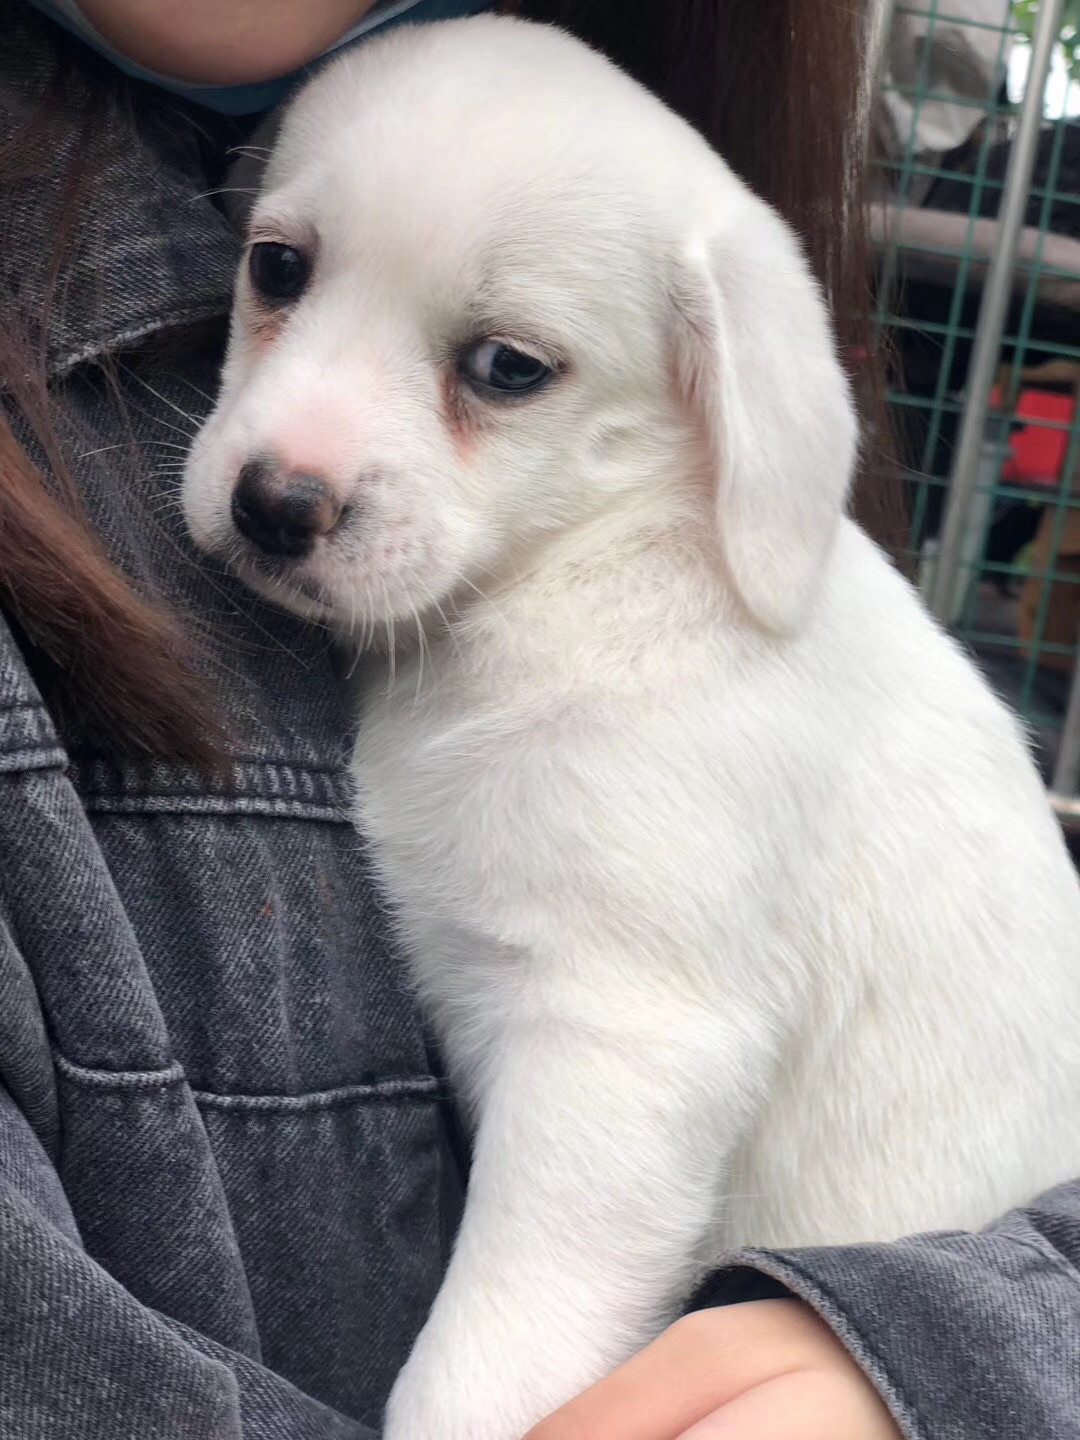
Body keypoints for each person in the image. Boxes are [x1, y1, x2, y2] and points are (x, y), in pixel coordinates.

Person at [0, 3, 1076, 1438]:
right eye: (284, 271)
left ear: (721, 392)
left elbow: (617, 1061)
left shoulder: (708, 675)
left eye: (501, 369)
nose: (291, 461)